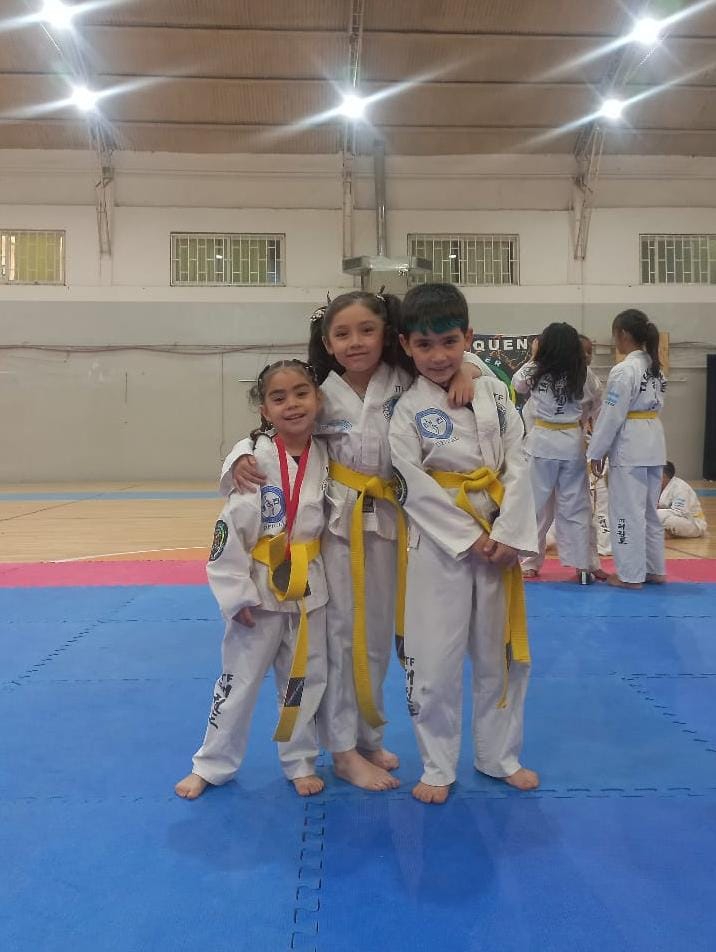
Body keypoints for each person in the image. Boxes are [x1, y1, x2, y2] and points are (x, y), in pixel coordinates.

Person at [223, 291, 490, 791]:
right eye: (343, 334)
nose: (356, 342)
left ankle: (368, 737)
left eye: (367, 330)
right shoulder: (320, 391)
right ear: (327, 342)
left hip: (400, 521)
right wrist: (237, 456)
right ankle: (343, 750)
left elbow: (454, 365)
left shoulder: (406, 381)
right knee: (344, 640)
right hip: (338, 530)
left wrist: (469, 370)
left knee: (381, 639)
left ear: (388, 335)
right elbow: (271, 428)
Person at [389, 282, 539, 805]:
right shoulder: (406, 408)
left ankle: (500, 757)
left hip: (499, 537)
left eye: (450, 342)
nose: (438, 356)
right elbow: (408, 481)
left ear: (468, 337)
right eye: (424, 345)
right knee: (433, 662)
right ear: (405, 344)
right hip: (438, 545)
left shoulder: (494, 391)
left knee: (501, 656)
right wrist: (467, 536)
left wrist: (510, 532)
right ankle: (437, 763)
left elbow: (520, 458)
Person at [175, 360, 330, 800]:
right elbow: (229, 532)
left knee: (304, 681)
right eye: (278, 398)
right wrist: (235, 595)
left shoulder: (326, 453)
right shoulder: (254, 463)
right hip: (258, 592)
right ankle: (212, 764)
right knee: (237, 682)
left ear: (318, 399)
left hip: (308, 588)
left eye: (301, 393)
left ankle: (300, 761)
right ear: (264, 410)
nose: (292, 404)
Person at [513, 323, 601, 581]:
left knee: (535, 506)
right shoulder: (584, 374)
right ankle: (583, 566)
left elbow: (518, 385)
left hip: (542, 443)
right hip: (571, 444)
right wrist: (595, 439)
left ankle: (529, 562)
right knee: (576, 506)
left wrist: (534, 356)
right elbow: (597, 404)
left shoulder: (535, 370)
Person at [588, 309, 667, 589]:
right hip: (653, 441)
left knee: (625, 512)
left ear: (622, 334)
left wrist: (596, 451)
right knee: (649, 512)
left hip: (630, 445)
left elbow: (611, 415)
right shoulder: (655, 367)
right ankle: (655, 569)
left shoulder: (625, 370)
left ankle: (629, 575)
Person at [658, 461, 707, 538]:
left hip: (693, 522)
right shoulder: (657, 487)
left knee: (669, 521)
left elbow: (679, 512)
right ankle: (664, 532)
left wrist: (654, 512)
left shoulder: (680, 488)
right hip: (670, 517)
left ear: (663, 476)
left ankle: (665, 533)